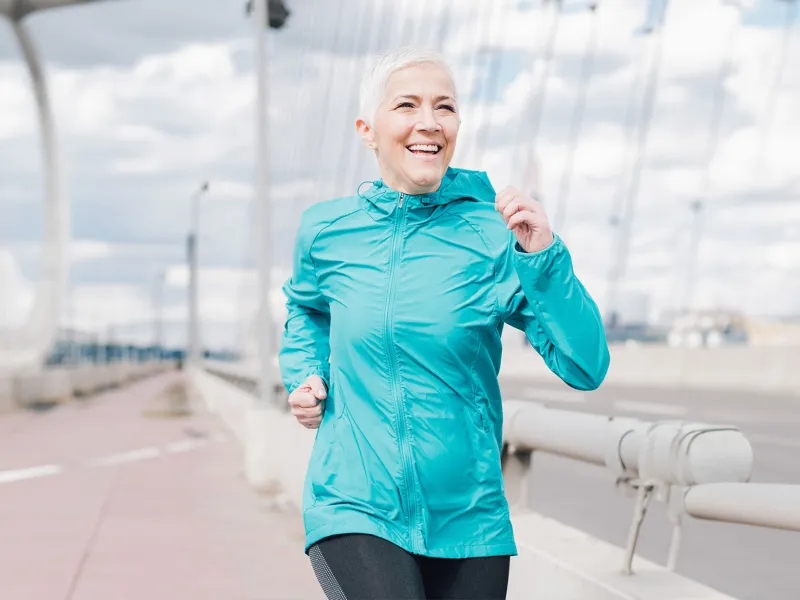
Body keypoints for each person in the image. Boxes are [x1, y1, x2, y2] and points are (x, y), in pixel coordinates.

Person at [279, 46, 610, 600]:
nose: (429, 122)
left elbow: (585, 365)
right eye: (407, 105)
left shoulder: (497, 236)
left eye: (445, 107)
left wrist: (544, 260)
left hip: (469, 517)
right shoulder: (325, 230)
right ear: (368, 129)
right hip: (354, 500)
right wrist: (306, 374)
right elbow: (307, 309)